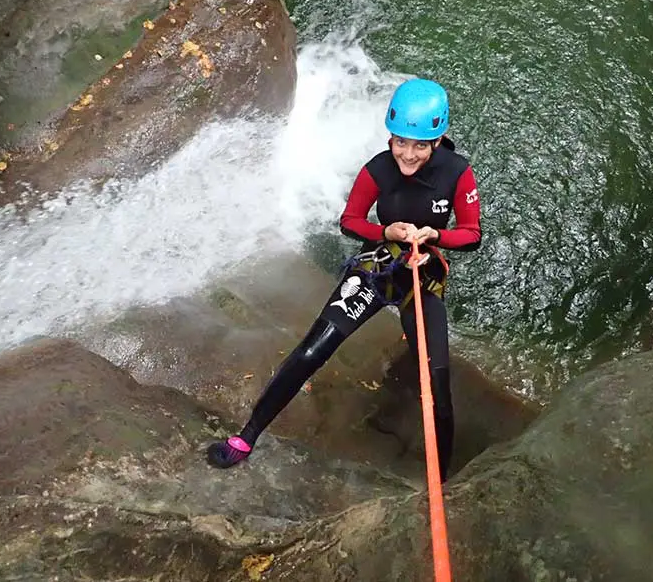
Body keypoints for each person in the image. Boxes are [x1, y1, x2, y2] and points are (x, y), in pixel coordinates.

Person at [206, 78, 482, 482]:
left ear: (437, 142)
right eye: (401, 142)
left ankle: (441, 484)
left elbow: (472, 235)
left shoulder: (458, 175)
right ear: (390, 134)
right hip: (377, 270)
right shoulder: (377, 170)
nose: (408, 154)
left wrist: (436, 236)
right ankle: (247, 436)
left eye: (420, 145)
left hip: (421, 278)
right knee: (312, 351)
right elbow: (350, 222)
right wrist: (385, 233)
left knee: (438, 386)